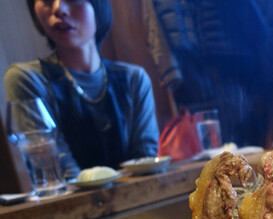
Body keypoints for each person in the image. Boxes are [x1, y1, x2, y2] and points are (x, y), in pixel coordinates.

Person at [4, 0, 159, 179]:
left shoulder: (134, 79)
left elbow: (145, 164)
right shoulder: (28, 79)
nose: (58, 9)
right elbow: (60, 173)